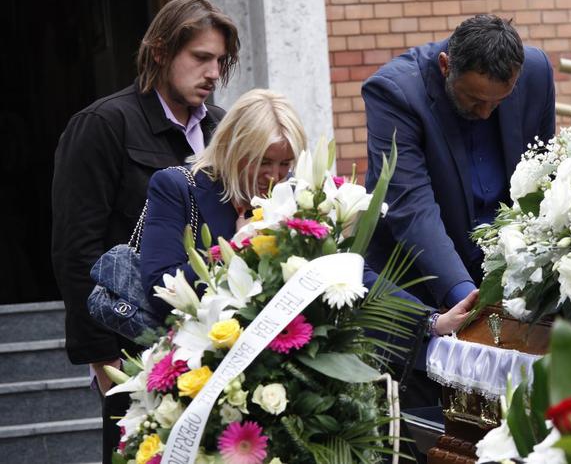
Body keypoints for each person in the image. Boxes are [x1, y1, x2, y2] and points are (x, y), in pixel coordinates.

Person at [50, 0, 240, 464]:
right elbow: (76, 247)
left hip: (214, 345)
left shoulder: (221, 128)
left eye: (220, 61)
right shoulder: (103, 125)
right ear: (160, 52)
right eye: (200, 58)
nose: (213, 73)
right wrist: (102, 359)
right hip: (132, 349)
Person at [139, 88, 476, 331]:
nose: (274, 175)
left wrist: (431, 320)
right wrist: (232, 248)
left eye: (285, 163)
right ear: (231, 148)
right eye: (261, 162)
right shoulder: (178, 187)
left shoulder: (300, 196)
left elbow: (352, 274)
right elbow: (161, 286)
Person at [362, 14, 556, 310]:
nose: (485, 114)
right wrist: (464, 295)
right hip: (420, 289)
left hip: (511, 283)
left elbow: (543, 174)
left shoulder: (536, 74)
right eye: (475, 100)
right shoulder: (394, 94)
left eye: (499, 101)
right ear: (445, 66)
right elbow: (412, 206)